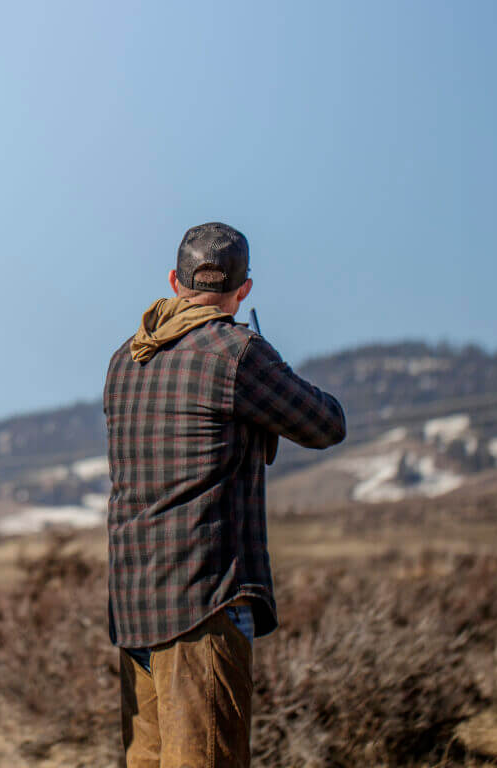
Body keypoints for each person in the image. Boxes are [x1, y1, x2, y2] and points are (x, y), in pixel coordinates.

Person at [104, 222, 346, 768]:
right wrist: (271, 362)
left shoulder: (127, 358)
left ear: (174, 279)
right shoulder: (236, 351)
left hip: (134, 603)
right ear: (244, 289)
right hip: (203, 602)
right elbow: (326, 424)